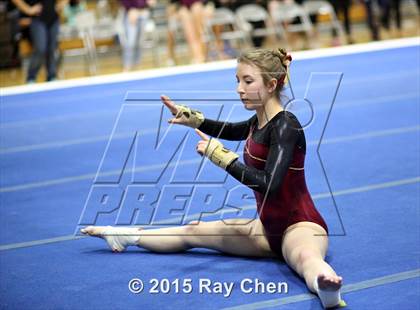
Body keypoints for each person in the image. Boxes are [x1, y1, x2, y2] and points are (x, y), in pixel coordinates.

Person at [81, 48, 345, 309]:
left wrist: (221, 157)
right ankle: (124, 236)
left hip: (300, 227)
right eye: (238, 81)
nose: (239, 88)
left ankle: (326, 287)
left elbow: (270, 185)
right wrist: (194, 120)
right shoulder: (258, 122)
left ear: (271, 84)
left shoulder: (286, 125)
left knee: (305, 258)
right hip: (266, 229)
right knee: (193, 231)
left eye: (248, 81)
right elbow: (230, 130)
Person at [11, 0, 66, 82]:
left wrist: (62, 4)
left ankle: (51, 76)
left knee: (52, 48)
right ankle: (31, 76)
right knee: (40, 48)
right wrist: (28, 9)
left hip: (53, 18)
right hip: (37, 19)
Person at [118, 0, 153, 71]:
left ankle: (137, 66)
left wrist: (147, 3)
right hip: (130, 13)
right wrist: (130, 9)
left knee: (140, 42)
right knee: (130, 42)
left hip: (143, 12)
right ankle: (126, 67)